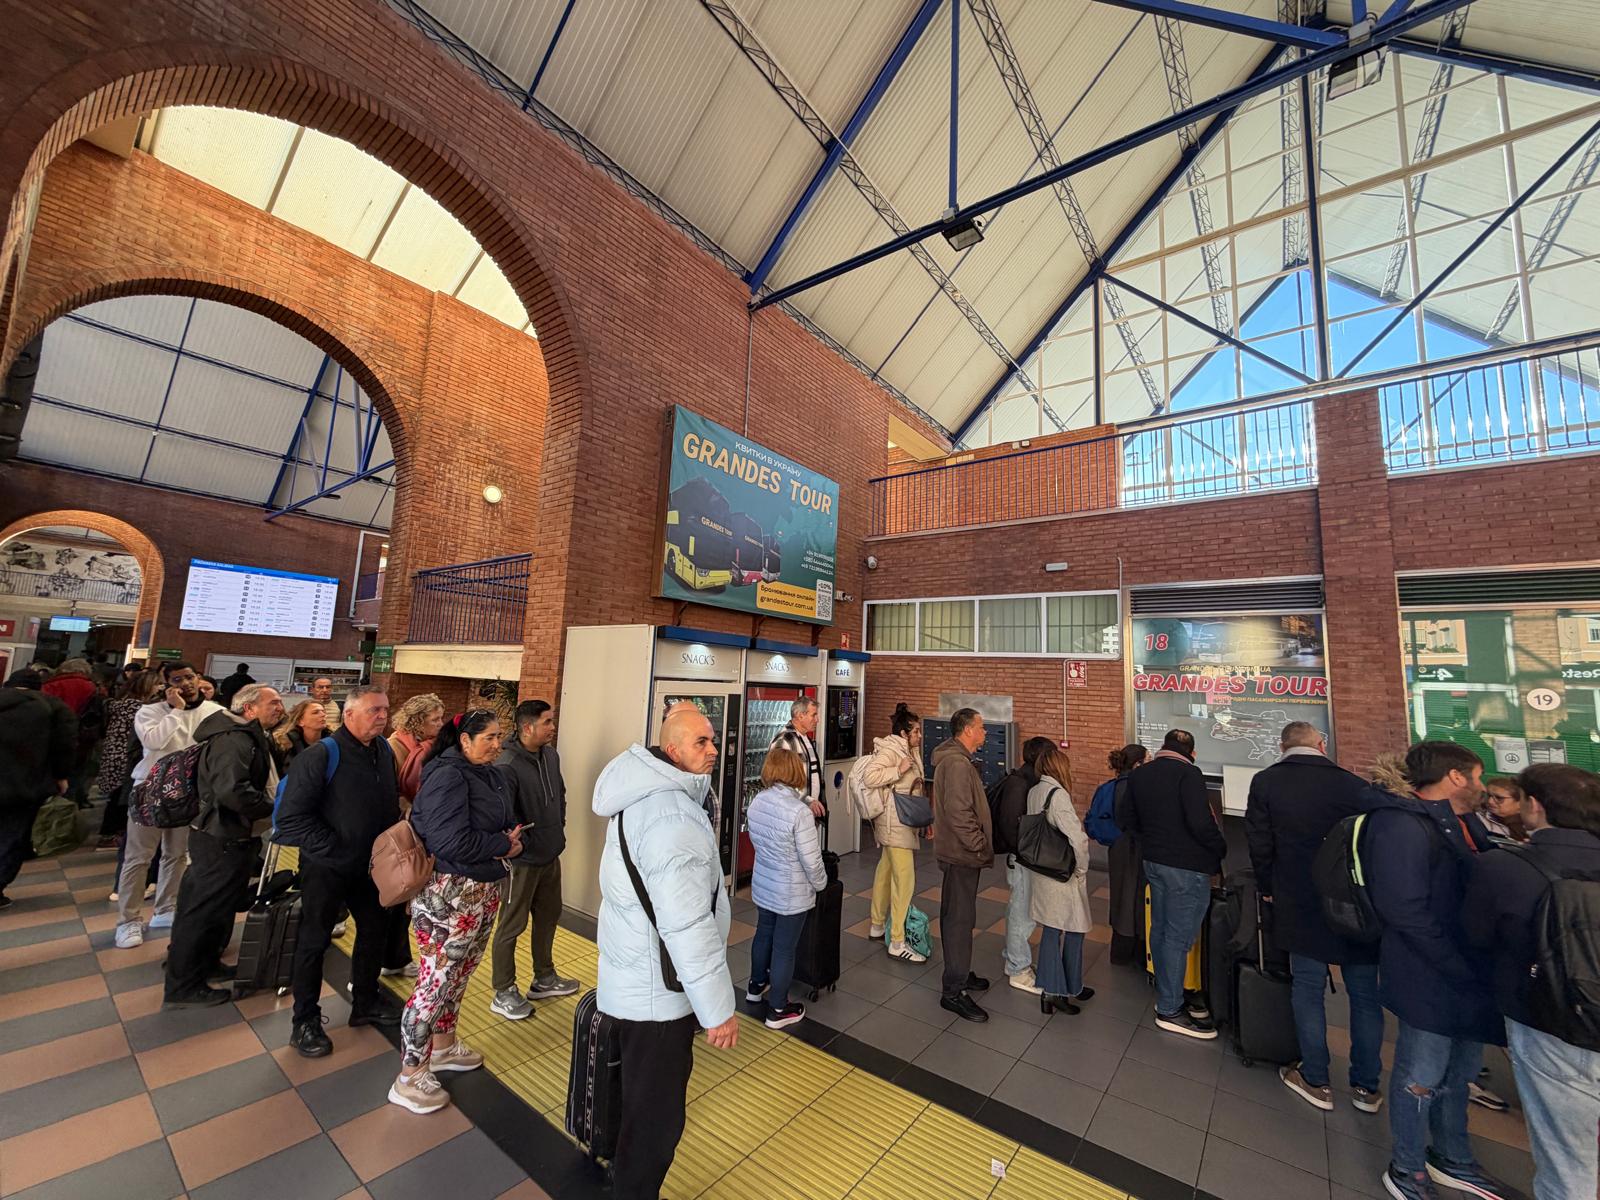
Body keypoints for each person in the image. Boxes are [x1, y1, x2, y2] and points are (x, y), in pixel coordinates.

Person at [592, 705, 738, 1200]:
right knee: (656, 1123)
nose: (714, 749)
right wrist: (718, 1011)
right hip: (657, 997)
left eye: (712, 739)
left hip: (635, 981)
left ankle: (623, 1177)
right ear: (672, 750)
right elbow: (688, 925)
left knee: (639, 1106)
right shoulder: (671, 817)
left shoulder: (643, 798)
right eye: (701, 742)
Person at [1364, 741, 1512, 1200]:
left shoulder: (1462, 823)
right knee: (1420, 1075)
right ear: (1454, 777)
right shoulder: (1399, 824)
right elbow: (1403, 908)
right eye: (1478, 776)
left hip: (1466, 972)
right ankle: (1407, 1169)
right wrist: (1455, 962)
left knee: (1458, 1073)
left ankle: (1454, 1157)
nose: (1484, 787)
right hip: (1430, 973)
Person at [1464, 764, 1600, 1200]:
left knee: (1567, 1159)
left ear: (1535, 806)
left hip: (1549, 1021)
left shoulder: (1505, 867)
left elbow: (1476, 937)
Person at [1245, 721, 1385, 1113]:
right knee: (1365, 997)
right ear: (1321, 745)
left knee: (1307, 988)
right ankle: (1366, 1086)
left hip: (1298, 897)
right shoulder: (1353, 785)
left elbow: (1260, 841)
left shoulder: (1267, 782)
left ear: (1281, 745)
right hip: (1355, 903)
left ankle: (1316, 1079)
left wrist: (1267, 884)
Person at [389, 710, 518, 1113]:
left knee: (459, 975)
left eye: (500, 736)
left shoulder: (488, 774)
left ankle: (442, 1047)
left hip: (480, 890)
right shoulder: (448, 774)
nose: (497, 744)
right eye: (489, 738)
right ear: (463, 740)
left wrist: (508, 841)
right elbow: (449, 842)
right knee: (435, 981)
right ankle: (409, 1074)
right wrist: (503, 846)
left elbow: (504, 822)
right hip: (448, 894)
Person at [274, 685, 401, 1057]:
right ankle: (305, 1021)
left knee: (373, 933)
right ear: (348, 715)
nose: (382, 717)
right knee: (314, 942)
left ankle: (365, 1001)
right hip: (326, 868)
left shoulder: (381, 751)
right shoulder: (321, 755)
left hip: (370, 868)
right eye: (374, 710)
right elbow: (291, 819)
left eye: (385, 710)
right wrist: (336, 847)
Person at [163, 684, 284, 1006]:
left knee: (215, 909)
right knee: (202, 910)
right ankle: (184, 986)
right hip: (220, 836)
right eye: (273, 702)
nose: (280, 708)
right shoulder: (234, 740)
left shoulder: (239, 736)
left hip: (225, 834)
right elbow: (232, 790)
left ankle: (204, 965)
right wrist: (271, 806)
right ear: (249, 709)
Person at [115, 662, 224, 949]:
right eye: (178, 679)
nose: (186, 683)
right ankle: (128, 920)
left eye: (190, 677)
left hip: (188, 794)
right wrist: (175, 710)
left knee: (176, 854)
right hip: (149, 790)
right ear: (166, 684)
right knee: (138, 858)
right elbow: (154, 742)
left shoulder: (213, 712)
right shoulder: (150, 712)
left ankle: (165, 908)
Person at [1124, 728, 1224, 1039]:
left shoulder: (1140, 775)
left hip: (1154, 861)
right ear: (1191, 752)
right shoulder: (1189, 774)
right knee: (1179, 938)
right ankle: (1170, 1008)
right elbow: (1200, 821)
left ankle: (1167, 993)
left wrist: (1153, 842)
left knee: (1162, 930)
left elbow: (1126, 818)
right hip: (1187, 866)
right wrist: (1219, 848)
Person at [490, 699, 579, 1019]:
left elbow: (561, 794)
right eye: (547, 722)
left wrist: (558, 828)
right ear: (527, 727)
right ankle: (503, 989)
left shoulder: (550, 755)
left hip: (550, 854)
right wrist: (522, 844)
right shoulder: (507, 762)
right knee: (511, 925)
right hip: (522, 862)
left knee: (548, 916)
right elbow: (502, 813)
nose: (553, 727)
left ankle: (544, 977)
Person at [744, 746, 827, 1029]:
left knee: (763, 934)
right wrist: (821, 884)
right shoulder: (799, 812)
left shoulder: (757, 801)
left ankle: (755, 988)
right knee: (784, 948)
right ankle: (777, 1009)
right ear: (796, 771)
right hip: (791, 891)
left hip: (764, 884)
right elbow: (812, 860)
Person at [931, 707, 994, 1023]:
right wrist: (979, 845)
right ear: (967, 730)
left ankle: (960, 972)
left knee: (961, 917)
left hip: (961, 854)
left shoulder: (958, 762)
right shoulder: (956, 765)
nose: (985, 732)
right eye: (981, 727)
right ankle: (953, 991)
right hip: (961, 855)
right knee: (958, 920)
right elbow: (959, 814)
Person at [0, 670, 77, 909]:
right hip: (27, 784)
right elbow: (64, 744)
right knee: (12, 837)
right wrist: (61, 775)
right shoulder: (53, 707)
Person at [859, 702, 929, 963]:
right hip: (894, 821)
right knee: (905, 876)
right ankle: (897, 940)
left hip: (901, 819)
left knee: (886, 870)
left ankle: (877, 924)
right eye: (916, 731)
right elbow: (870, 777)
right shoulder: (891, 750)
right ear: (904, 733)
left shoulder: (908, 749)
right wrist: (896, 770)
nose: (920, 736)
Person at [1027, 745, 1093, 1015]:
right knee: (1073, 929)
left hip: (1042, 869)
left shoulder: (1035, 791)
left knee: (1053, 928)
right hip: (1062, 872)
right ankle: (1057, 989)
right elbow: (1077, 838)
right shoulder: (1058, 795)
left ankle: (1064, 986)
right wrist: (1082, 868)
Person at [995, 736, 1055, 994]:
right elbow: (1011, 826)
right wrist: (1024, 852)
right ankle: (1018, 969)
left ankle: (1013, 954)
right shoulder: (1021, 783)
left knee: (1019, 909)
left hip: (1024, 857)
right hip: (1023, 859)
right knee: (1023, 913)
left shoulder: (1028, 780)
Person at [1085, 743, 1148, 964]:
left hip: (1117, 850)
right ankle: (1140, 952)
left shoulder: (1108, 788)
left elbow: (1093, 822)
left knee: (1121, 896)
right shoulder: (1142, 788)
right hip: (1139, 848)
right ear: (1138, 763)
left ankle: (1120, 952)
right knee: (1141, 898)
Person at [94, 671, 150, 850]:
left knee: (115, 796)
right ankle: (110, 834)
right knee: (119, 798)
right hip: (125, 755)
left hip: (113, 752)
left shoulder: (120, 703)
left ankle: (108, 833)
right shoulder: (137, 707)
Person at [770, 696, 825, 819]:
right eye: (813, 715)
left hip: (806, 812)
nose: (817, 720)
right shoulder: (784, 740)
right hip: (791, 814)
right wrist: (807, 800)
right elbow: (778, 781)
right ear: (800, 716)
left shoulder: (804, 737)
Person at [388, 692, 445, 810]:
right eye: (435, 720)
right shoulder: (392, 746)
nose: (441, 724)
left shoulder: (437, 744)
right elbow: (388, 787)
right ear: (418, 722)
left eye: (441, 718)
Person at [272, 696, 328, 764]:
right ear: (300, 721)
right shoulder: (283, 743)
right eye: (315, 712)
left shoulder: (333, 740)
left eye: (324, 712)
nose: (323, 715)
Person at [1480, 776, 1529, 843]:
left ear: (1520, 802)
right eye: (1489, 795)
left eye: (1499, 798)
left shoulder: (1534, 824)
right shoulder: (1479, 819)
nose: (1490, 801)